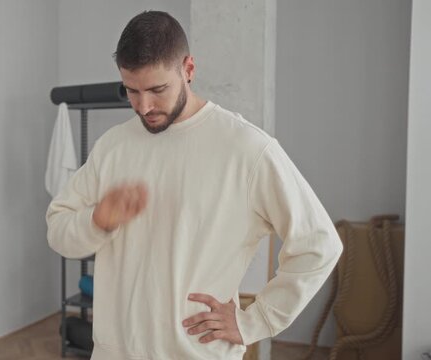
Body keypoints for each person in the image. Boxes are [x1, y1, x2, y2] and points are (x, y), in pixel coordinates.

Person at [46, 10, 343, 360]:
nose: (144, 106)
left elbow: (318, 244)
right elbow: (58, 229)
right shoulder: (113, 146)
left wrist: (257, 319)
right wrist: (97, 220)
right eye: (132, 91)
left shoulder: (247, 149)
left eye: (158, 89)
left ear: (188, 69)